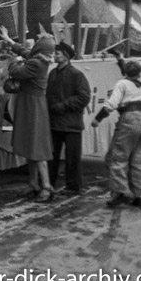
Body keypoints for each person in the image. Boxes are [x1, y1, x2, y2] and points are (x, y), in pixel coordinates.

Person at [0, 26, 55, 202]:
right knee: (32, 147)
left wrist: (14, 60)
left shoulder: (36, 63)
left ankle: (46, 187)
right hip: (33, 104)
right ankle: (34, 184)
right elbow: (26, 52)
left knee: (37, 148)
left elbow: (16, 71)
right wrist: (9, 41)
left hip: (32, 105)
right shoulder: (40, 60)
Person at [92, 58, 141, 209]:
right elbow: (129, 72)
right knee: (136, 160)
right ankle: (139, 194)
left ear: (126, 72)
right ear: (139, 72)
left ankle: (120, 192)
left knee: (116, 158)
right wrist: (120, 59)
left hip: (128, 120)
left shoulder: (122, 84)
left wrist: (97, 119)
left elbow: (111, 104)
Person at [45, 41, 91, 195]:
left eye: (58, 53)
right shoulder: (52, 73)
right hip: (54, 123)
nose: (55, 55)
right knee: (52, 156)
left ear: (66, 56)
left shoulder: (77, 74)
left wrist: (62, 106)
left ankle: (73, 187)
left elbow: (84, 97)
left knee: (72, 158)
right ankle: (48, 183)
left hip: (71, 124)